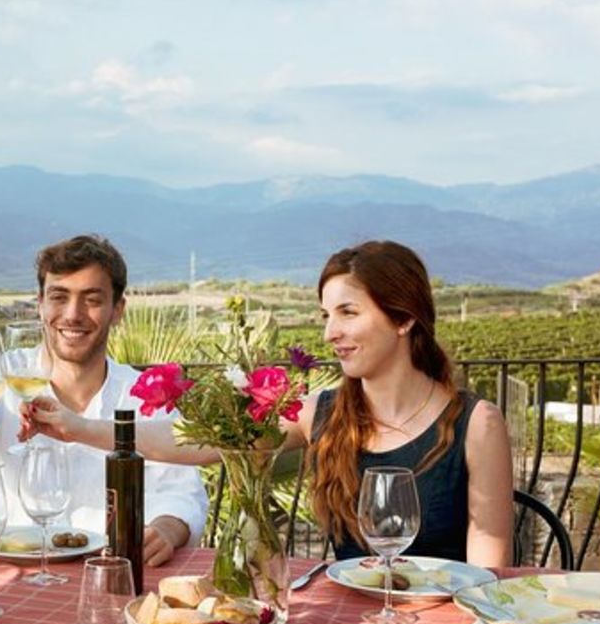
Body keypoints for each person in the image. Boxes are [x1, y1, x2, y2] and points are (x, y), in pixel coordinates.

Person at [135, 240, 513, 567]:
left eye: (348, 312)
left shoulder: (477, 423)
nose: (330, 333)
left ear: (403, 318)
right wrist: (83, 428)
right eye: (326, 315)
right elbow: (206, 444)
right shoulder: (323, 413)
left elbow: (487, 579)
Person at [0, 234, 209, 567]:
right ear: (40, 304)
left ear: (118, 310)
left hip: (112, 571)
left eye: (92, 299)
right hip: (11, 571)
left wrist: (166, 531)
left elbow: (183, 493)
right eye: (59, 296)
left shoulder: (144, 394)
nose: (73, 314)